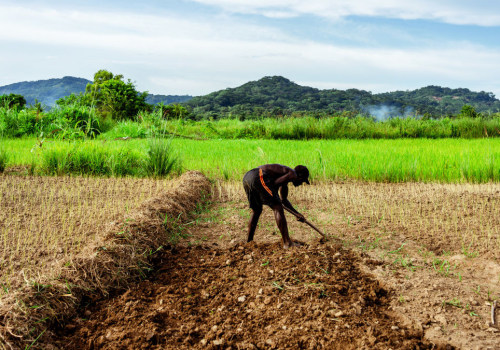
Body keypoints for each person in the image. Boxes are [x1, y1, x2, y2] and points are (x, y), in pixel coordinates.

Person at [242, 164, 310, 249]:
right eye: (302, 181)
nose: (300, 184)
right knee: (277, 207)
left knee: (257, 210)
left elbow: (284, 200)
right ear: (300, 177)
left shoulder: (286, 176)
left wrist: (297, 214)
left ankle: (249, 242)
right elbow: (274, 184)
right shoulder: (293, 174)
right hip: (258, 175)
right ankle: (287, 243)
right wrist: (274, 198)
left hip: (248, 177)